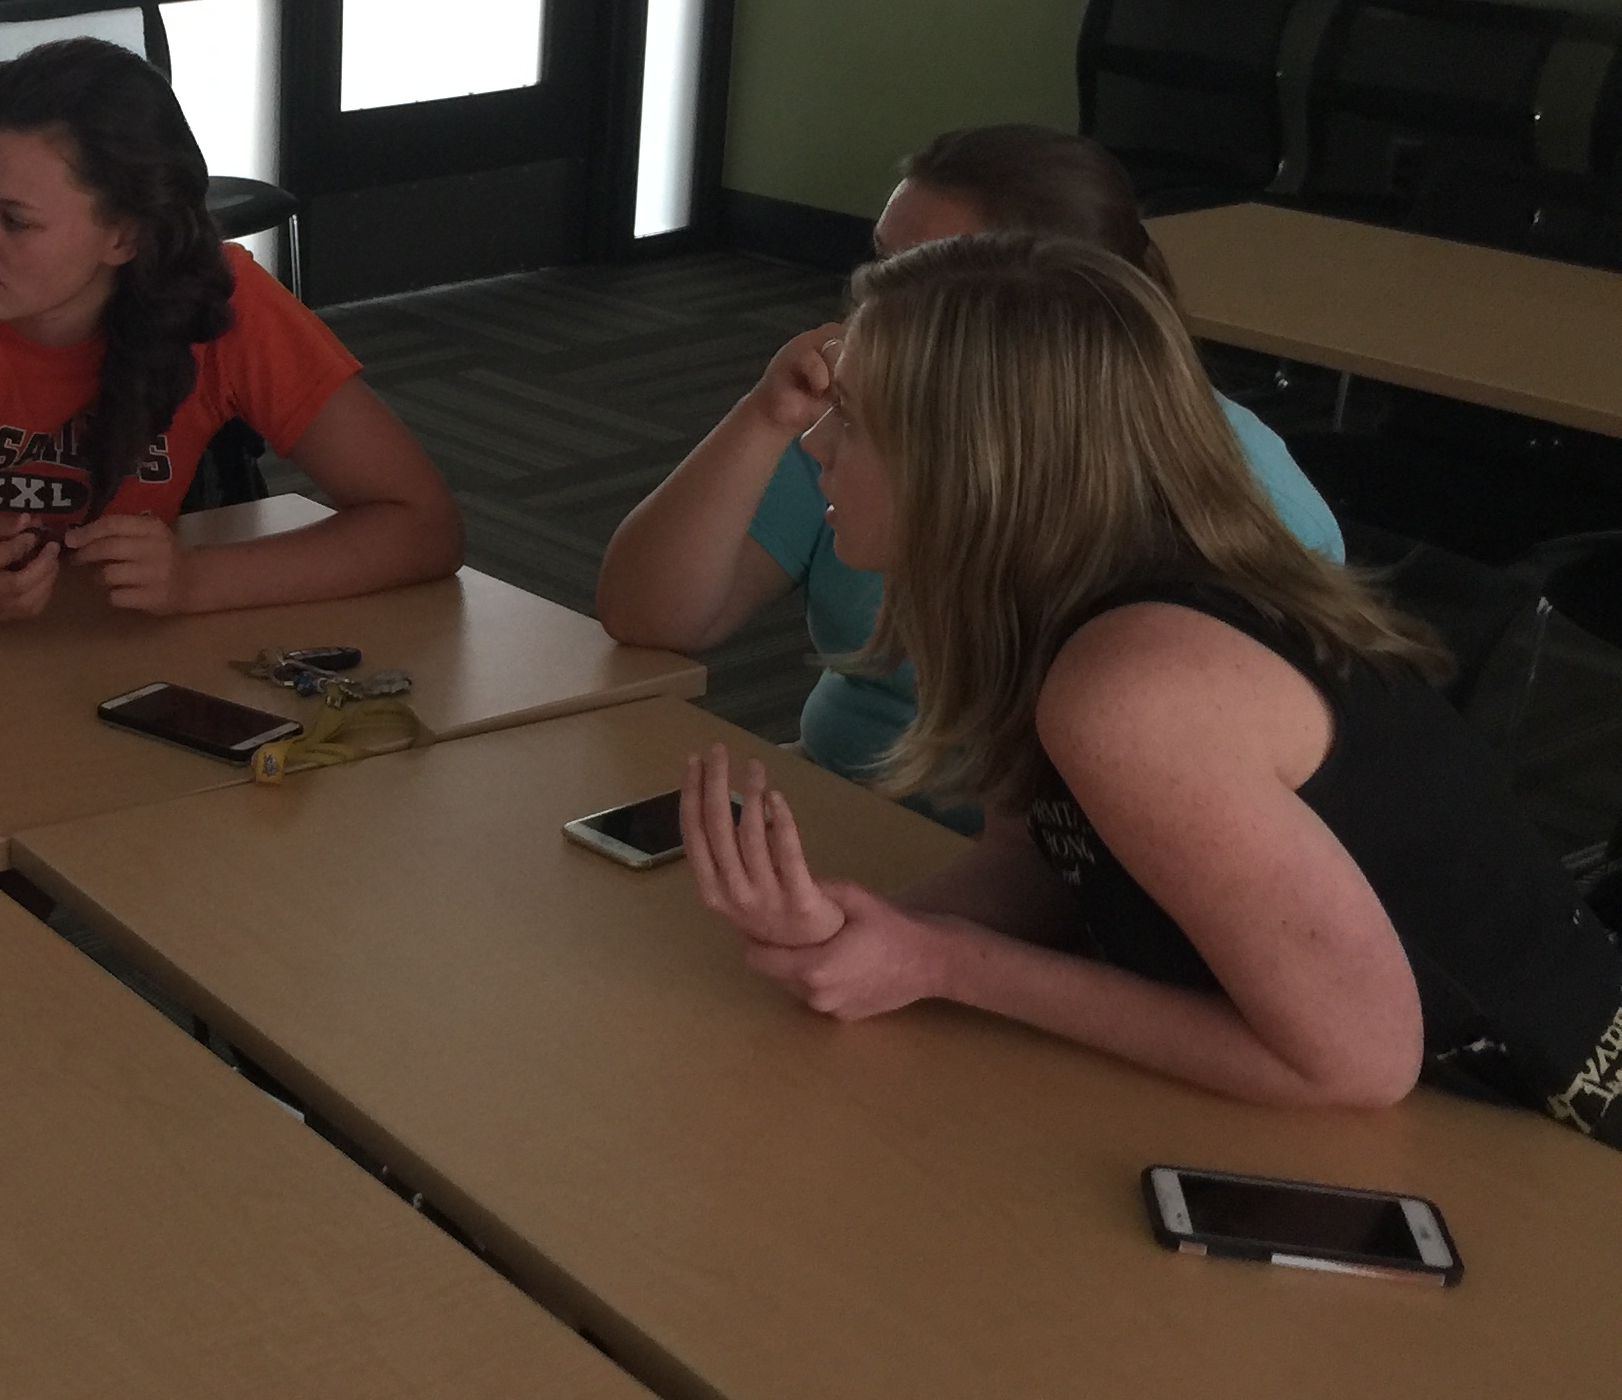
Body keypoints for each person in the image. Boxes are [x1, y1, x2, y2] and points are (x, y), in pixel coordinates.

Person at [681, 233, 1622, 1144]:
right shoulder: (1056, 604)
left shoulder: (1134, 691)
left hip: (1542, 1132)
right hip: (1407, 1104)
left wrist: (944, 960)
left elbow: (1357, 1062)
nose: (816, 445)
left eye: (852, 420)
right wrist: (877, 928)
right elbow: (1044, 864)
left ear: (971, 466)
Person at [597, 125, 1341, 815]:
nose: (871, 302)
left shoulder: (1232, 513)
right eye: (880, 262)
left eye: (922, 277)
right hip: (857, 808)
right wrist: (765, 418)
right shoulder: (857, 423)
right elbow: (649, 616)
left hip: (1066, 862)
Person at [0, 37, 461, 621]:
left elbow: (423, 523)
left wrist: (195, 581)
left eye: (15, 220)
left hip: (114, 639)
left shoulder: (214, 295)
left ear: (125, 237)